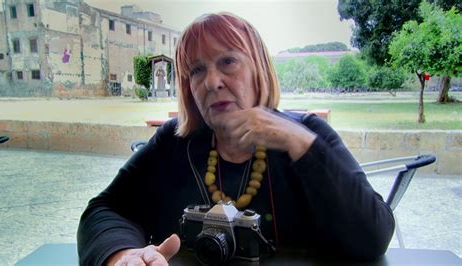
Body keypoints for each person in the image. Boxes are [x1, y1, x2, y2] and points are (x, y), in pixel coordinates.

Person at [77, 12, 395, 265]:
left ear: (258, 70)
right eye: (197, 70)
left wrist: (300, 144)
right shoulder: (173, 144)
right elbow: (105, 210)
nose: (212, 81)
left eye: (227, 61)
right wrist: (120, 254)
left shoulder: (308, 135)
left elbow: (372, 237)